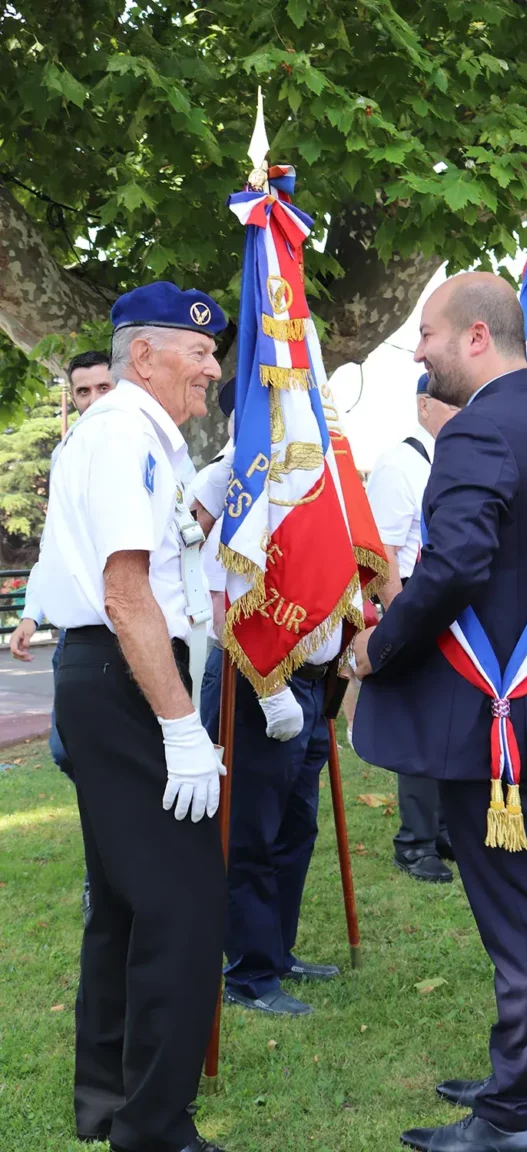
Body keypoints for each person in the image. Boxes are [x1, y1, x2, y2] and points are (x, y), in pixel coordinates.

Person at [353, 271, 527, 1152]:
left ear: (477, 338)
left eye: (426, 334)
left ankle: (511, 1118)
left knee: (520, 909)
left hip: (494, 712)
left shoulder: (481, 430)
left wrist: (377, 648)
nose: (416, 351)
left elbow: (452, 568)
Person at [35, 281, 231, 1152]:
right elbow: (126, 590)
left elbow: (168, 549)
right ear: (142, 356)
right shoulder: (123, 436)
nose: (214, 369)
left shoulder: (146, 440)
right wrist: (182, 728)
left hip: (114, 676)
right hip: (129, 679)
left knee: (122, 906)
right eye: (198, 353)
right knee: (181, 912)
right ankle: (154, 1130)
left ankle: (112, 1102)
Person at [194, 377, 340, 1019]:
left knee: (296, 825)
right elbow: (219, 584)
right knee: (250, 828)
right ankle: (248, 970)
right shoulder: (232, 477)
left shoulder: (307, 479)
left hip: (311, 680)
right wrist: (270, 681)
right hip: (256, 683)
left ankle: (276, 949)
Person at [365, 372, 458, 883]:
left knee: (447, 723)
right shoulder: (403, 462)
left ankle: (443, 830)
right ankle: (414, 842)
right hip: (409, 600)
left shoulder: (455, 458)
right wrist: (404, 620)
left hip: (444, 607)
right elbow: (381, 551)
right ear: (424, 406)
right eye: (451, 404)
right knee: (422, 728)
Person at [10, 351, 115, 782]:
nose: (92, 399)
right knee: (65, 749)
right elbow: (53, 543)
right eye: (83, 391)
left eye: (103, 388)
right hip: (77, 637)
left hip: (134, 629)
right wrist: (31, 615)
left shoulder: (150, 445)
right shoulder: (65, 454)